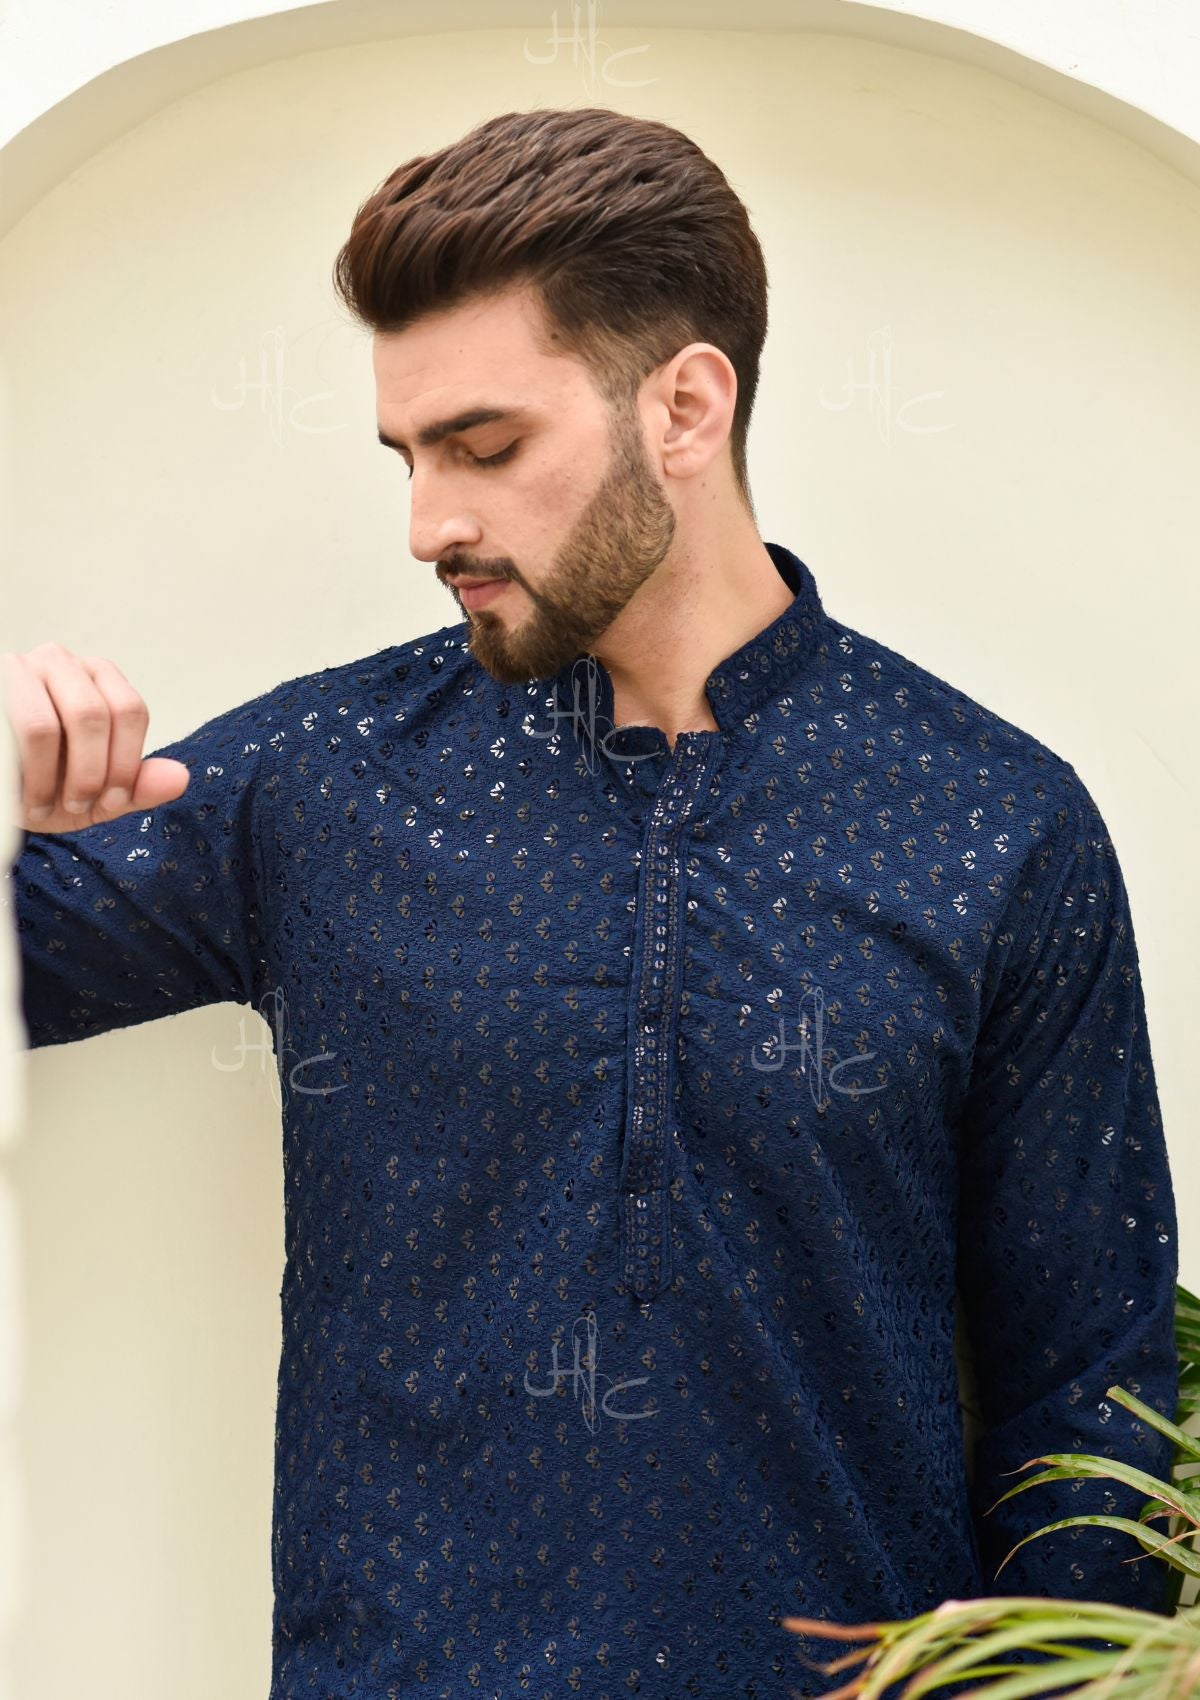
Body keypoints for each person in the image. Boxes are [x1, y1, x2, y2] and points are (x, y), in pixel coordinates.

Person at [1, 105, 1179, 1700]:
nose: (429, 523)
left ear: (685, 406)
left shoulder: (995, 824)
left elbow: (1090, 1416)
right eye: (409, 456)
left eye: (485, 447)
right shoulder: (321, 778)